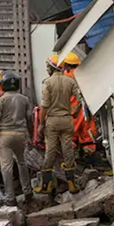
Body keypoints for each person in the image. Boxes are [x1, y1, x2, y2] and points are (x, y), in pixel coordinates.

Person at [35, 55, 80, 195]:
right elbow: (80, 100)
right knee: (68, 150)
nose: (46, 69)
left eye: (47, 66)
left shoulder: (47, 83)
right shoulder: (70, 81)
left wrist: (41, 124)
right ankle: (71, 183)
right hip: (67, 119)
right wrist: (74, 112)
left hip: (52, 121)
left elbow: (45, 106)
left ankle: (46, 185)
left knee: (50, 151)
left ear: (52, 68)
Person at [0, 72, 33, 205]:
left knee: (6, 167)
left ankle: (10, 197)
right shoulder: (24, 99)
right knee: (22, 163)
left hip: (5, 136)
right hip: (21, 134)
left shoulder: (0, 101)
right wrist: (30, 136)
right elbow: (30, 120)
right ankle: (28, 191)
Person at [63, 52, 99, 163]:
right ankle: (90, 159)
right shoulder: (81, 76)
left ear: (66, 65)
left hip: (70, 113)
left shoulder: (64, 77)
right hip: (84, 111)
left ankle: (73, 159)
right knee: (87, 135)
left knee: (70, 136)